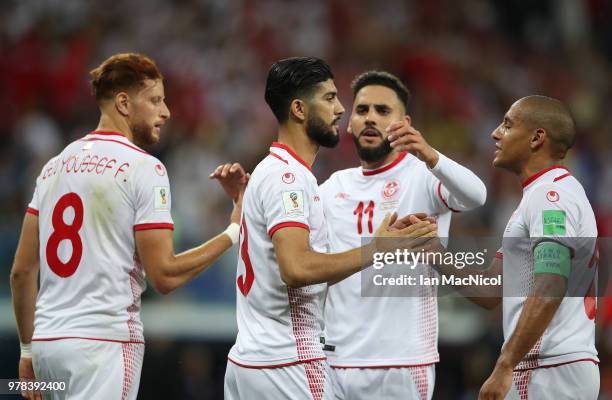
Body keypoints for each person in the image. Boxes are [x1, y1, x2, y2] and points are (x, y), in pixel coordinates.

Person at [10, 53, 246, 400]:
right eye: (154, 100)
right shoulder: (143, 168)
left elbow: (21, 272)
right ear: (123, 103)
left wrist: (27, 351)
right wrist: (233, 231)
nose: (165, 111)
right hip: (103, 345)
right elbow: (164, 275)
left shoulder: (52, 168)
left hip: (47, 346)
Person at [217, 57, 437, 400]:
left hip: (249, 362)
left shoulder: (270, 169)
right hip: (288, 362)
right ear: (299, 110)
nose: (340, 109)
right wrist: (377, 249)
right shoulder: (290, 178)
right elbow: (297, 269)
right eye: (330, 98)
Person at [409, 96, 599, 399]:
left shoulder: (550, 196)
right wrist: (433, 251)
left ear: (537, 138)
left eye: (508, 125)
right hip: (552, 366)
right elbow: (491, 289)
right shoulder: (543, 195)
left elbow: (551, 283)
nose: (495, 133)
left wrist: (505, 364)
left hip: (548, 367)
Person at [318, 70, 487, 399]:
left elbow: (476, 195)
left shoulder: (423, 176)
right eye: (363, 110)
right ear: (349, 122)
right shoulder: (332, 188)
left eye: (383, 111)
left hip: (401, 362)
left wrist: (430, 155)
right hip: (335, 361)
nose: (370, 118)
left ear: (404, 122)